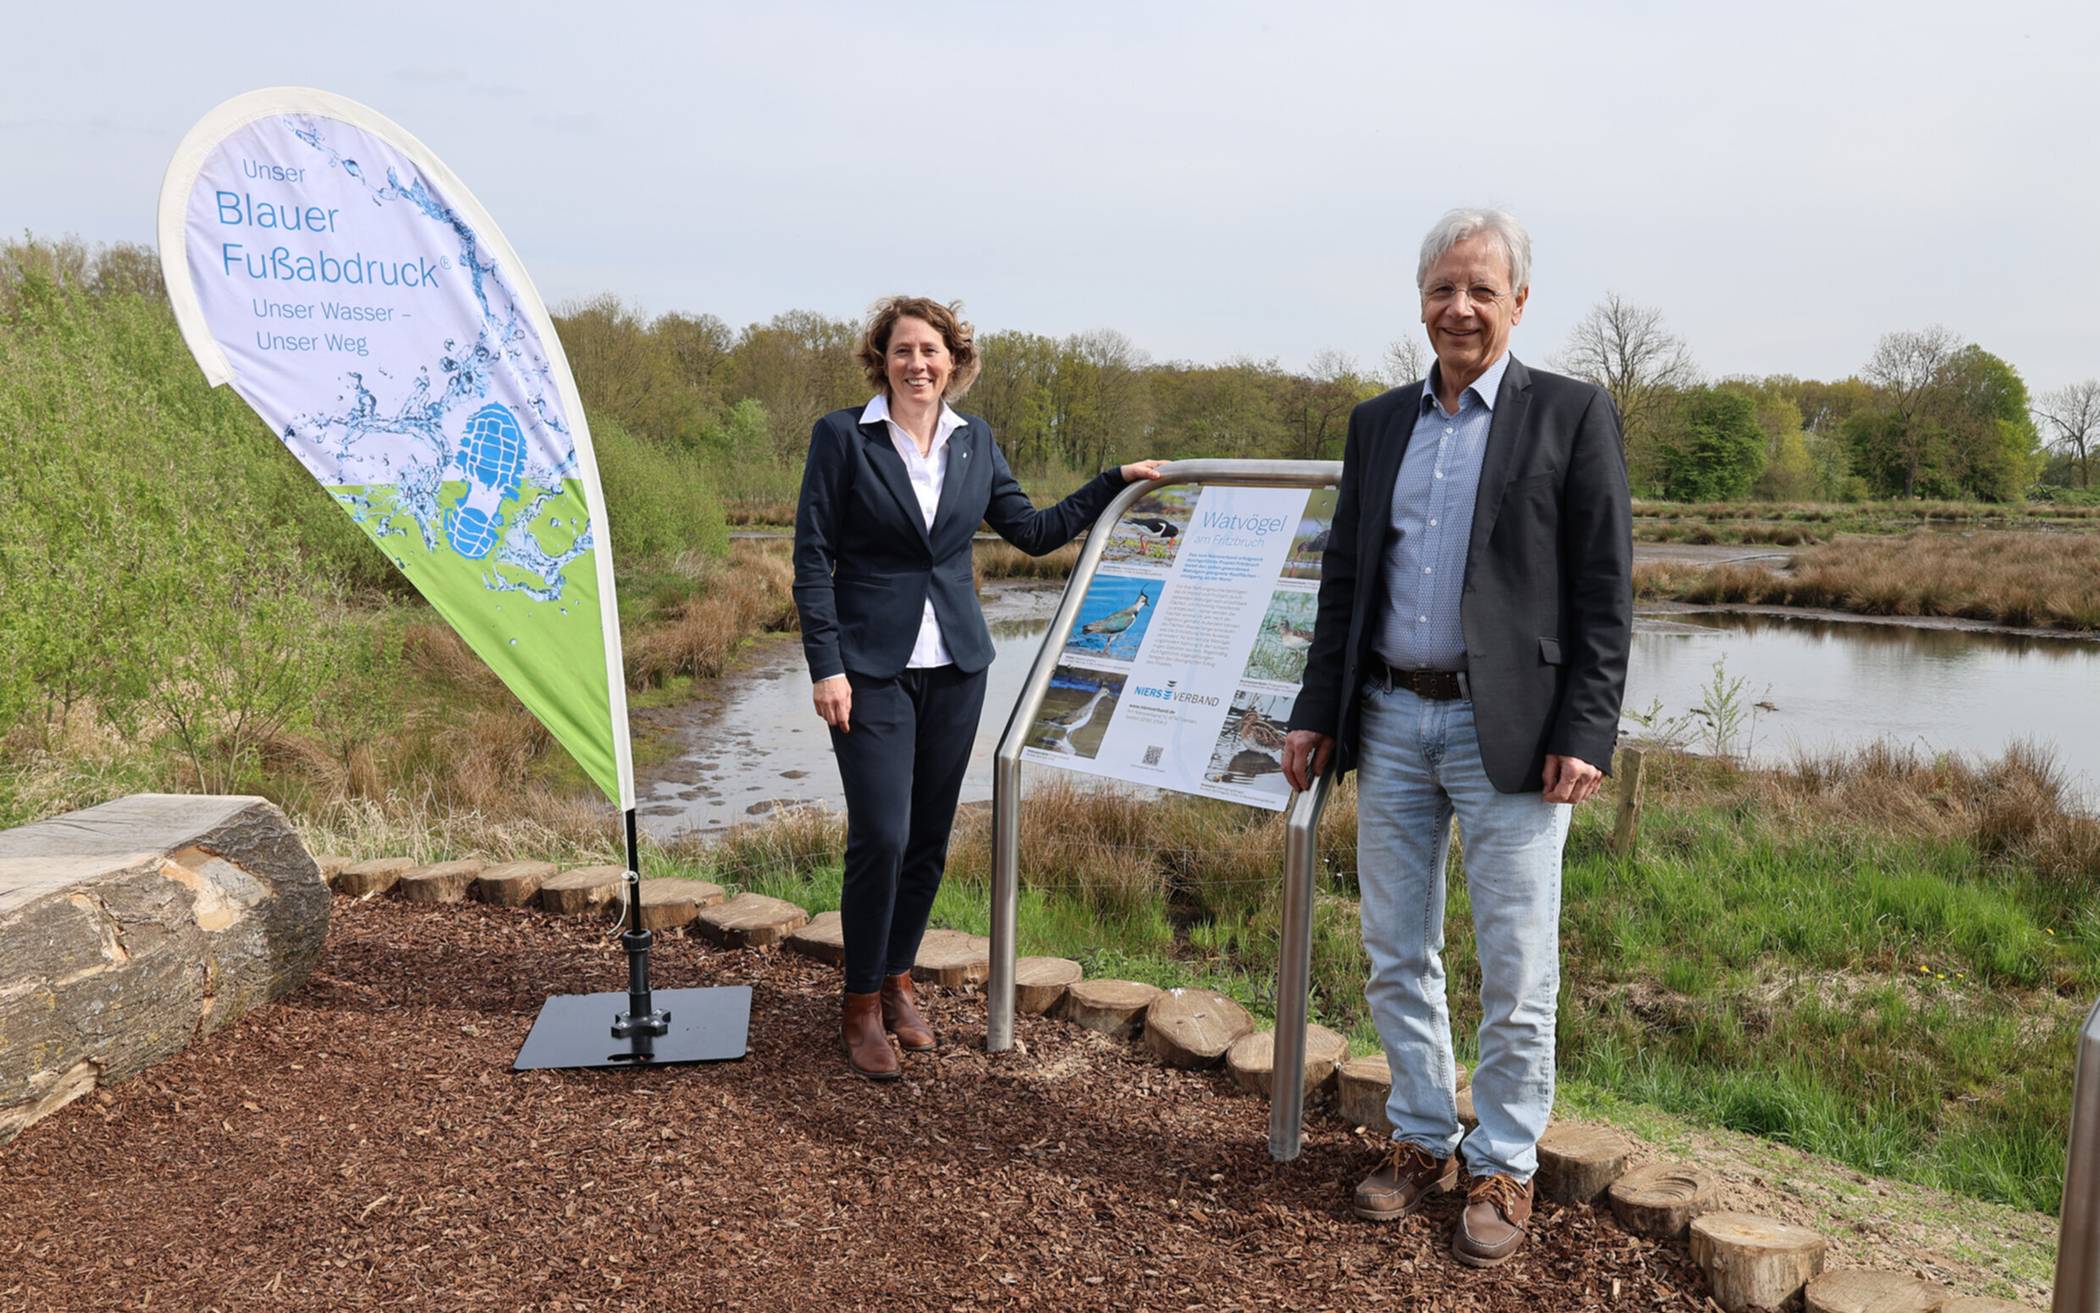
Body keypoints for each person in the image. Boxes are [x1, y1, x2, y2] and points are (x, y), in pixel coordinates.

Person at [1281, 209, 1632, 1268]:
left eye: (1482, 289)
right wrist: (1315, 709)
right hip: (1390, 717)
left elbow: (1605, 589)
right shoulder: (1379, 423)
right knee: (1397, 949)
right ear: (1421, 300)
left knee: (1517, 964)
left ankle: (1505, 1162)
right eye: (1443, 288)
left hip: (1512, 732)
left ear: (1519, 301)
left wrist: (1587, 727)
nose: (1460, 308)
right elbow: (1345, 579)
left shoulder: (1571, 413)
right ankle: (1425, 1135)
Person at [793, 296, 1163, 1081]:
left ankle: (897, 980)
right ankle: (859, 1005)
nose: (917, 364)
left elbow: (1033, 531)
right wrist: (825, 664)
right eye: (902, 350)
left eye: (931, 350)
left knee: (929, 837)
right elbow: (812, 557)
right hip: (869, 669)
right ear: (881, 360)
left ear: (954, 361)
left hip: (959, 667)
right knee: (882, 835)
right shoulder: (843, 437)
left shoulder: (975, 441)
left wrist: (1113, 483)